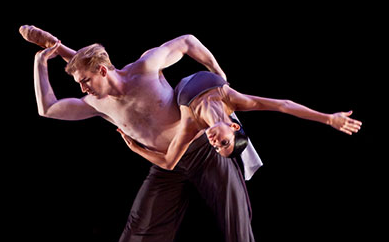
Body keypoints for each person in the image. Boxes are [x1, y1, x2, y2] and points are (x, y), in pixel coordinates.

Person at [20, 25, 283, 242]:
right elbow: (48, 108)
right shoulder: (96, 104)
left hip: (203, 150)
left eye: (85, 81)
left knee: (236, 221)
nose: (83, 89)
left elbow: (187, 42)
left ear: (104, 70)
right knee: (139, 229)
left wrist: (218, 74)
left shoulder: (146, 68)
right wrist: (41, 61)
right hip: (165, 165)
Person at [116, 70, 361, 169]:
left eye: (216, 147)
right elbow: (284, 105)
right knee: (190, 42)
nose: (215, 142)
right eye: (224, 142)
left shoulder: (190, 126)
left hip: (168, 84)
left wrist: (134, 147)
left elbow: (169, 162)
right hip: (208, 67)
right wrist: (327, 118)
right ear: (234, 125)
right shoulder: (233, 100)